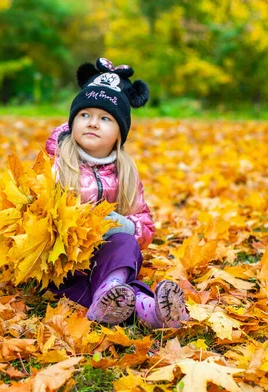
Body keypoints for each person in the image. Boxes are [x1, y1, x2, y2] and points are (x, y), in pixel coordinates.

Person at [45, 58, 189, 328]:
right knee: (87, 283)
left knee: (126, 245)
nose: (93, 123)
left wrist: (123, 225)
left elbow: (145, 225)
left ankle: (114, 296)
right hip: (64, 263)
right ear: (72, 121)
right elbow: (35, 212)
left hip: (107, 258)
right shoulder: (56, 163)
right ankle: (144, 307)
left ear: (119, 133)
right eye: (84, 115)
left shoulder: (126, 172)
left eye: (105, 119)